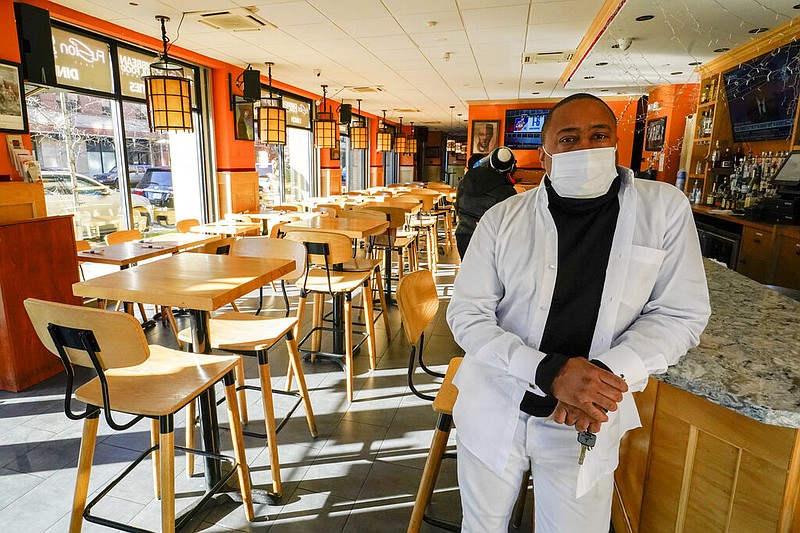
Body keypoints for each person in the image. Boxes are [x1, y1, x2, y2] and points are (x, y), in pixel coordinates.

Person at [447, 93, 710, 532]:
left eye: (598, 135)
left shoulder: (663, 209)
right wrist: (548, 370)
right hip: (497, 400)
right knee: (481, 527)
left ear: (616, 144)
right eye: (568, 139)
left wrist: (599, 377)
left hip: (588, 415)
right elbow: (468, 315)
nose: (585, 148)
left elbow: (680, 314)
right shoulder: (502, 219)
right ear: (545, 155)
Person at [454, 147, 517, 259]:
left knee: (470, 274)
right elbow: (511, 225)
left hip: (463, 237)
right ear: (510, 169)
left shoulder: (464, 182)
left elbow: (457, 209)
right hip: (490, 242)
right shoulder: (507, 191)